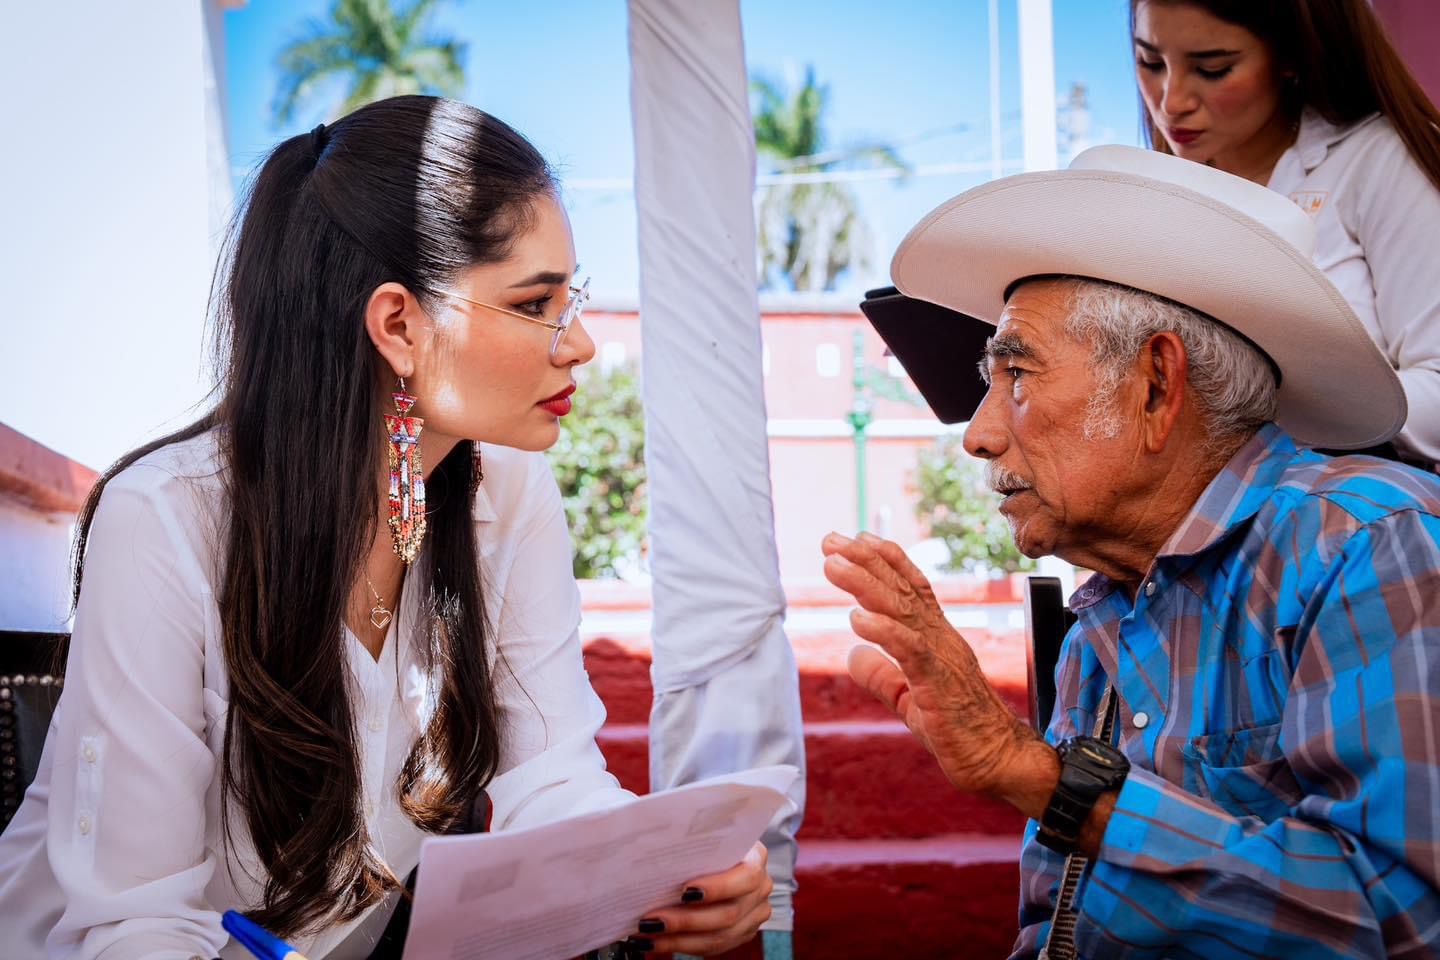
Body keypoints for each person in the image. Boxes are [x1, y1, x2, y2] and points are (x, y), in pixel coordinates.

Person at [0, 96, 770, 959]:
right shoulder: (166, 520)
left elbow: (549, 773)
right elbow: (133, 920)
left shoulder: (508, 494)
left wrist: (663, 874)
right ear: (400, 324)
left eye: (572, 296)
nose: (580, 342)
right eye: (537, 302)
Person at [829, 144, 1440, 958]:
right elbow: (1057, 928)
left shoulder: (1362, 545)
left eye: (1014, 373)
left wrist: (1038, 776)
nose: (976, 435)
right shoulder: (1100, 617)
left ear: (1156, 384)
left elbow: (1401, 923)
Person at [1130, 0, 1440, 469]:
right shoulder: (1151, 194)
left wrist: (1244, 415)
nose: (1171, 102)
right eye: (1151, 62)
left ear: (1292, 57)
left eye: (1213, 69)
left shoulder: (1378, 162)